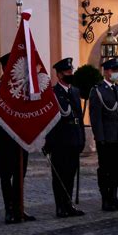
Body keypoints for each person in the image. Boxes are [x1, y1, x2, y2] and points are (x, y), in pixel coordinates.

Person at [0, 53, 36, 224]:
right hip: (6, 138)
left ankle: (19, 208)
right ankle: (9, 209)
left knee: (20, 174)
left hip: (22, 138)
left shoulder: (25, 87)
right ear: (4, 68)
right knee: (6, 175)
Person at [43, 57, 85, 218]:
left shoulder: (74, 91)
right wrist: (49, 142)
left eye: (71, 71)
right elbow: (49, 120)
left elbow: (79, 117)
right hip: (60, 141)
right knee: (60, 175)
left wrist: (81, 138)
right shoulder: (53, 93)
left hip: (74, 139)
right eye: (67, 72)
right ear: (59, 75)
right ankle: (60, 206)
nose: (70, 74)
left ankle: (68, 205)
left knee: (70, 174)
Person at [89, 58, 118, 211]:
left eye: (117, 70)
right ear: (106, 71)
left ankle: (114, 197)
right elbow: (95, 117)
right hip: (106, 136)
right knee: (105, 169)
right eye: (113, 70)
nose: (116, 73)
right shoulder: (98, 90)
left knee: (116, 169)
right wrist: (100, 137)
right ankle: (106, 199)